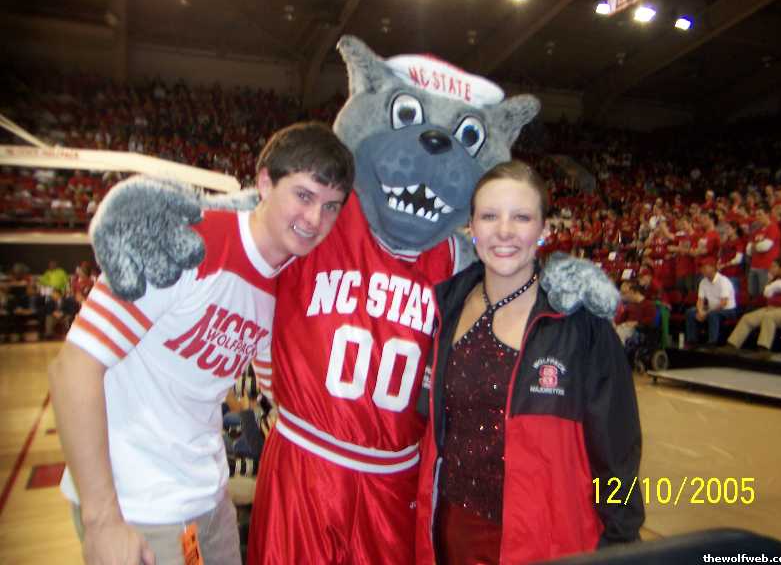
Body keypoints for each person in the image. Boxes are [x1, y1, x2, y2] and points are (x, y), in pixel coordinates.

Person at [48, 122, 355, 565]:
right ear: (264, 183)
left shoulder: (284, 280)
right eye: (303, 195)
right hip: (136, 508)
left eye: (330, 206)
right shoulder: (186, 242)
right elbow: (73, 368)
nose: (314, 220)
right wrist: (102, 520)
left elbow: (281, 391)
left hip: (208, 499)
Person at [415, 161, 643, 564]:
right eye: (490, 216)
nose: (504, 231)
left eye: (521, 217)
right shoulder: (444, 307)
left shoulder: (580, 324)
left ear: (544, 229)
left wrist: (620, 539)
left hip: (546, 540)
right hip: (453, 535)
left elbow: (617, 453)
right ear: (471, 226)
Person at [726, 257, 781, 352]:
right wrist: (773, 290)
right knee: (748, 318)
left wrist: (774, 290)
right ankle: (732, 345)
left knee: (769, 317)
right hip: (774, 309)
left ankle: (763, 349)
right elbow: (767, 294)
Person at [684, 260, 737, 347]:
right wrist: (700, 311)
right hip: (711, 308)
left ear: (713, 268)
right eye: (701, 268)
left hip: (727, 310)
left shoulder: (723, 281)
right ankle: (692, 340)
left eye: (705, 268)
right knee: (690, 312)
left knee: (712, 314)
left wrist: (706, 313)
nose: (702, 270)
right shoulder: (703, 282)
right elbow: (700, 300)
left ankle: (712, 342)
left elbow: (723, 303)